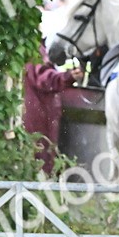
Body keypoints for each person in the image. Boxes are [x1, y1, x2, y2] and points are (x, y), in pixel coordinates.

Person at [23, 44, 84, 175]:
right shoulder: (34, 50)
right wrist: (67, 77)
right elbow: (43, 78)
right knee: (41, 160)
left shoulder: (27, 47)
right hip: (39, 118)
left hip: (37, 115)